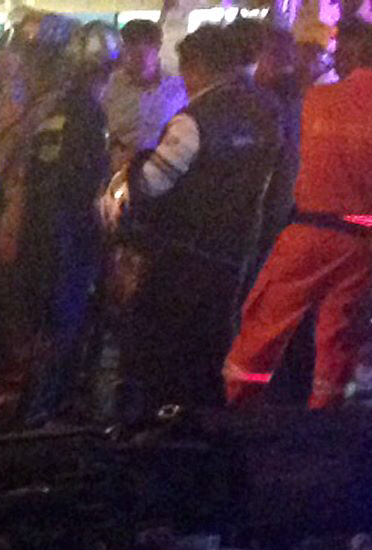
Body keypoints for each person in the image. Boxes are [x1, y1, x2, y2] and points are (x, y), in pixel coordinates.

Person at [223, 23, 372, 408]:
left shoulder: (316, 98)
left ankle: (238, 406)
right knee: (336, 337)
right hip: (360, 237)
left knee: (265, 324)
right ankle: (324, 419)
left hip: (304, 228)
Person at [117, 22, 284, 414]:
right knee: (209, 352)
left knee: (165, 356)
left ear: (198, 66)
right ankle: (204, 432)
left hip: (181, 255)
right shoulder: (266, 111)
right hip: (234, 251)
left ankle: (159, 434)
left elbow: (152, 185)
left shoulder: (194, 119)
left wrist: (130, 175)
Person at [0, 15, 105, 422]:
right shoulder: (39, 107)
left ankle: (44, 411)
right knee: (30, 320)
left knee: (54, 323)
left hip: (60, 234)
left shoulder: (77, 110)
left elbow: (71, 181)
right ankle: (33, 403)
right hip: (41, 231)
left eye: (40, 58)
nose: (30, 66)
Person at [104, 18, 186, 170]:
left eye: (145, 49)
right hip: (120, 167)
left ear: (157, 47)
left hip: (163, 168)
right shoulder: (112, 85)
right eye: (131, 47)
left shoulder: (176, 88)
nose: (138, 57)